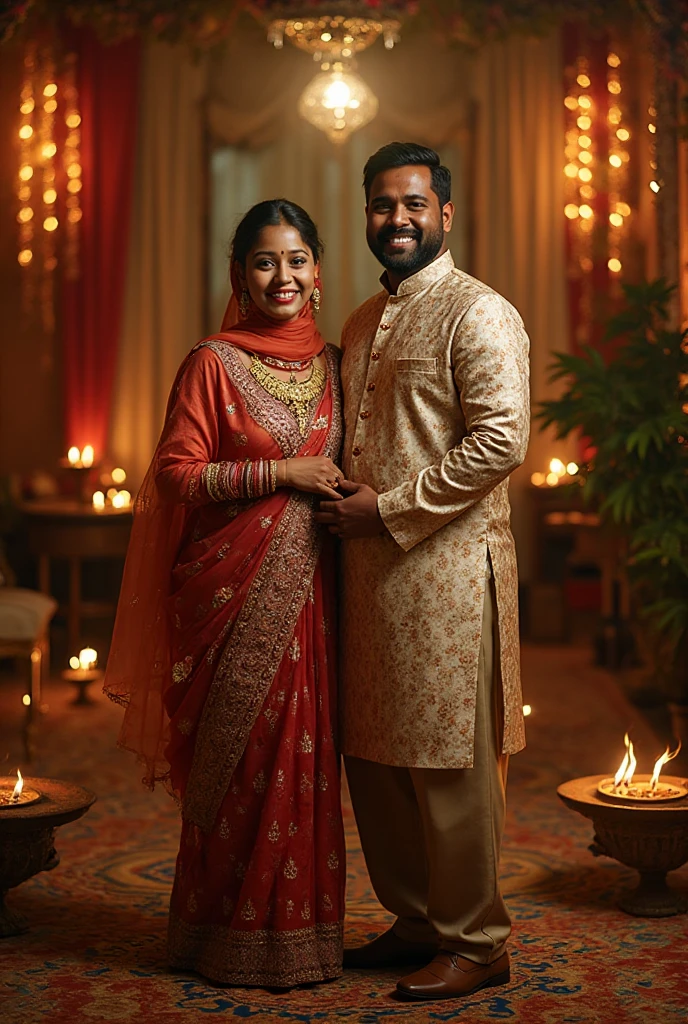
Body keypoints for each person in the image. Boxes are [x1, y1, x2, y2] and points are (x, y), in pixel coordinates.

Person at [104, 199, 346, 989]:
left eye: (298, 259)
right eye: (266, 261)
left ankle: (300, 935)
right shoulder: (211, 361)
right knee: (242, 765)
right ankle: (219, 933)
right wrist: (284, 473)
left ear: (319, 272)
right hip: (227, 596)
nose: (284, 275)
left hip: (314, 601)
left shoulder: (339, 364)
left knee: (304, 762)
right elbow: (173, 475)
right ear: (239, 274)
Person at [317, 142, 530, 1001]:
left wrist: (387, 508)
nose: (396, 219)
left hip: (447, 584)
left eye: (413, 205)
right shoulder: (364, 319)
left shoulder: (478, 313)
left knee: (450, 765)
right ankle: (415, 921)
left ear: (446, 214)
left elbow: (500, 441)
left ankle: (478, 941)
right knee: (377, 760)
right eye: (381, 206)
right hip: (369, 585)